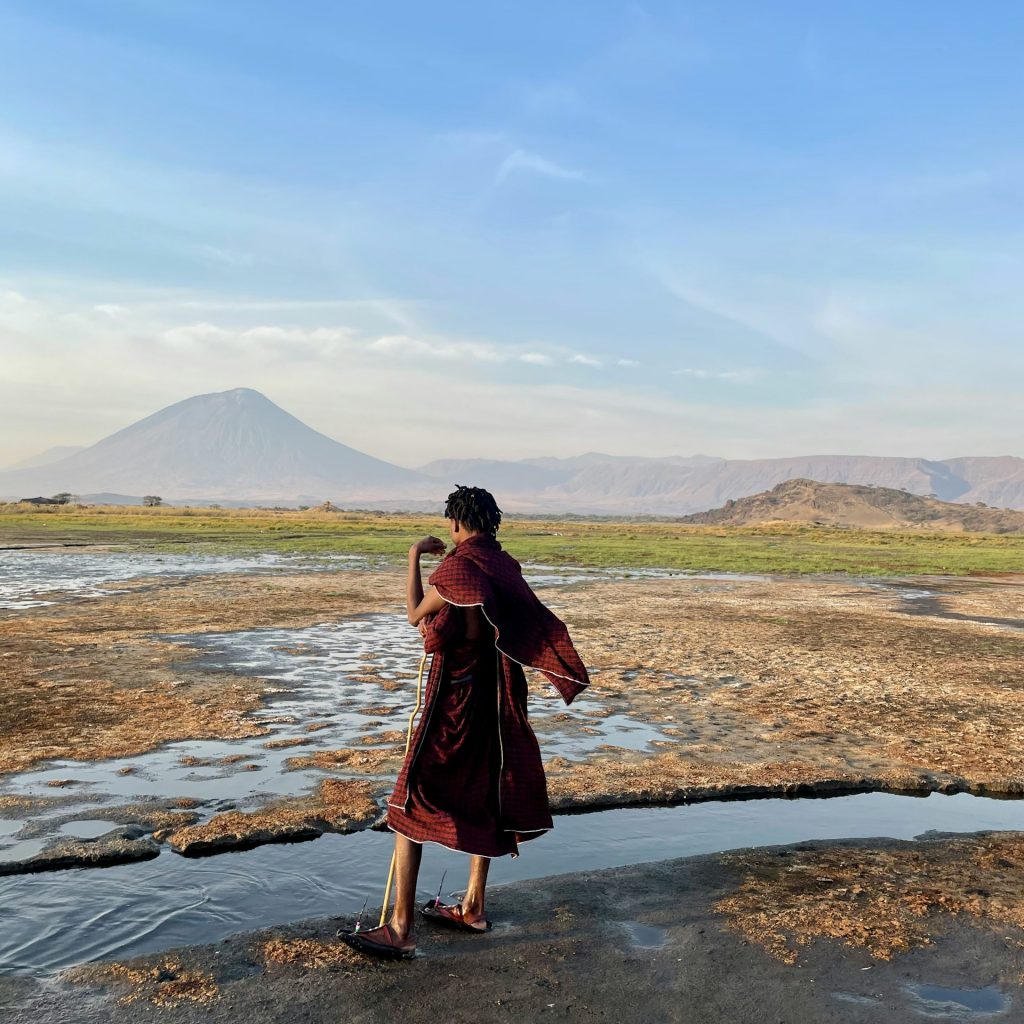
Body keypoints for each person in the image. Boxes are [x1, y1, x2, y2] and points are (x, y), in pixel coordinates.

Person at [341, 485, 590, 959]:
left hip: (451, 702)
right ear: (491, 523)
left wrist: (414, 554)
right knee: (486, 790)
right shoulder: (505, 567)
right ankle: (472, 906)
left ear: (456, 523)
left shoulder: (456, 569)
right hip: (493, 703)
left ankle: (400, 928)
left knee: (409, 801)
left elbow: (416, 616)